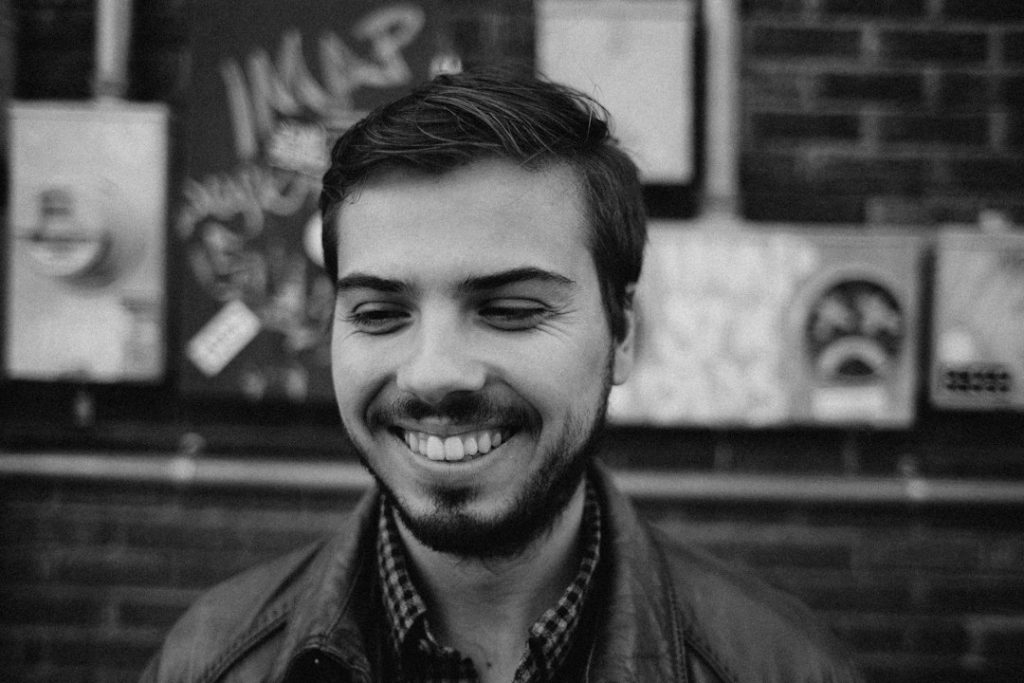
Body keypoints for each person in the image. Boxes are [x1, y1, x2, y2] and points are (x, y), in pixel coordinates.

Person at [142, 67, 863, 682]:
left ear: (622, 335)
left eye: (511, 310)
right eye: (381, 313)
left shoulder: (781, 665)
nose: (434, 374)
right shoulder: (210, 663)